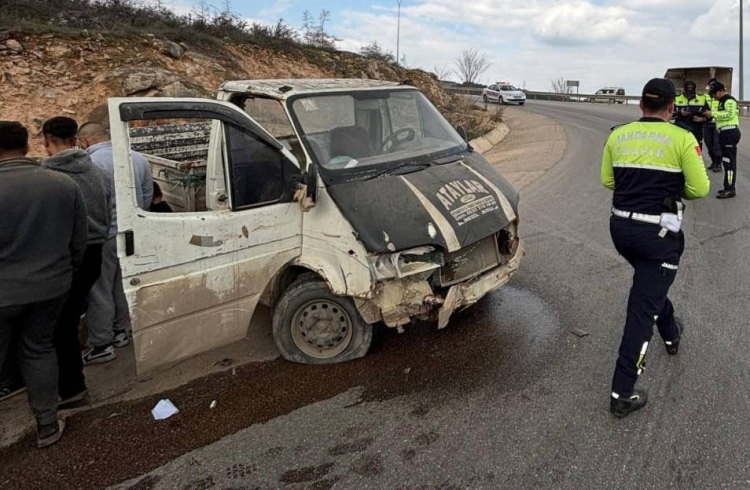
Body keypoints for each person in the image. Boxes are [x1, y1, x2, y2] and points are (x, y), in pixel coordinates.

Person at [600, 79, 710, 418]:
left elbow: (607, 180)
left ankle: (672, 334)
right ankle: (622, 393)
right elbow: (700, 189)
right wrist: (673, 189)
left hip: (621, 230)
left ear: (641, 106)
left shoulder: (618, 135)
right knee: (641, 309)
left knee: (651, 285)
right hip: (657, 236)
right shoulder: (682, 137)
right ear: (672, 108)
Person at [0, 121, 88, 447]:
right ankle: (47, 424)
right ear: (27, 146)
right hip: (51, 286)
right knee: (38, 349)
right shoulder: (62, 184)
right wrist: (66, 271)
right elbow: (79, 240)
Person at [41, 116, 111, 406]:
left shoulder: (47, 177)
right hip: (95, 251)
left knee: (59, 325)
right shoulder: (97, 172)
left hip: (65, 255)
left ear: (47, 140)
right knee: (72, 317)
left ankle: (71, 387)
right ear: (76, 139)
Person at [76, 122, 153, 364]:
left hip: (104, 236)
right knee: (122, 284)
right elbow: (147, 194)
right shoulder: (137, 158)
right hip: (131, 232)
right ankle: (122, 330)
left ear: (84, 141)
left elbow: (88, 206)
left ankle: (101, 344)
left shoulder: (89, 164)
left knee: (99, 291)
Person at [708, 81, 742, 199]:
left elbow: (730, 114)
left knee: (729, 163)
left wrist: (714, 114)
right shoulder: (721, 101)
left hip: (730, 132)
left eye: (714, 93)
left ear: (721, 91)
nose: (713, 96)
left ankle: (730, 189)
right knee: (726, 161)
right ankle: (727, 186)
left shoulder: (729, 100)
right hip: (724, 133)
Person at [673, 80, 710, 149]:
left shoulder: (702, 99)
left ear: (695, 90)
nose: (690, 95)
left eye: (691, 93)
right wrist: (679, 113)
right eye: (688, 93)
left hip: (696, 133)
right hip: (680, 132)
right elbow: (669, 114)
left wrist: (702, 119)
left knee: (697, 153)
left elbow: (709, 115)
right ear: (684, 90)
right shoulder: (676, 99)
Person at [704, 78, 723, 173]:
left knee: (717, 145)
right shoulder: (704, 97)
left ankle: (718, 164)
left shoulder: (722, 98)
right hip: (707, 123)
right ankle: (713, 161)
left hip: (718, 123)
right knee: (708, 144)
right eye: (711, 86)